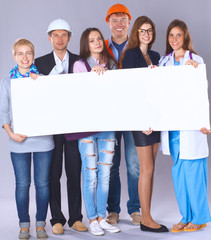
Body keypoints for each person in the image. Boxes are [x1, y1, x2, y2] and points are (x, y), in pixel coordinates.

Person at [65, 27, 120, 236]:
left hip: (108, 125)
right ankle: (92, 219)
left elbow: (119, 91)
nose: (97, 43)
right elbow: (80, 96)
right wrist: (92, 76)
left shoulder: (112, 64)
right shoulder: (80, 65)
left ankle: (101, 216)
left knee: (105, 173)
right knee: (90, 174)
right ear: (85, 45)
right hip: (86, 126)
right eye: (92, 40)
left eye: (99, 39)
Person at [35, 19, 87, 234]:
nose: (59, 39)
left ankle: (76, 217)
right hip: (52, 126)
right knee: (52, 174)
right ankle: (56, 218)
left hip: (75, 126)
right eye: (55, 35)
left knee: (75, 172)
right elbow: (35, 95)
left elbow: (88, 92)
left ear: (69, 37)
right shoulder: (40, 63)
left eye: (63, 35)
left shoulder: (79, 61)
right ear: (49, 38)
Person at [159, 19, 211, 232]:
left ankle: (200, 217)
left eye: (178, 35)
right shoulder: (164, 62)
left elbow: (202, 93)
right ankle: (185, 215)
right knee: (179, 174)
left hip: (191, 127)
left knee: (194, 173)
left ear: (185, 37)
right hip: (173, 127)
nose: (174, 39)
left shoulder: (195, 60)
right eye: (171, 35)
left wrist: (204, 121)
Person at [0, 39, 54, 239]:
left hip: (43, 140)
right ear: (14, 57)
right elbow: (3, 112)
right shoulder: (7, 83)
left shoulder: (43, 80)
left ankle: (40, 223)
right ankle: (24, 224)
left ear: (33, 55)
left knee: (42, 184)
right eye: (20, 54)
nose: (25, 57)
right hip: (18, 140)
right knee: (22, 184)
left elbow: (52, 109)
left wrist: (41, 84)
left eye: (28, 53)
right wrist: (10, 133)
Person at [121, 16, 168, 233]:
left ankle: (147, 216)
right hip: (141, 119)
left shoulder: (157, 55)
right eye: (142, 30)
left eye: (150, 30)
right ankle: (146, 219)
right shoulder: (130, 55)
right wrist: (142, 119)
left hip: (155, 118)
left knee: (151, 168)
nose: (146, 34)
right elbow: (130, 90)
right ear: (136, 33)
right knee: (145, 168)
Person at [105, 3, 141, 226]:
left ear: (129, 22)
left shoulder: (138, 48)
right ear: (109, 23)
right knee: (111, 163)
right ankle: (113, 210)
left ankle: (135, 208)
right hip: (109, 114)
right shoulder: (101, 47)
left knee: (134, 163)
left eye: (123, 19)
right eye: (114, 20)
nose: (119, 24)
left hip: (133, 114)